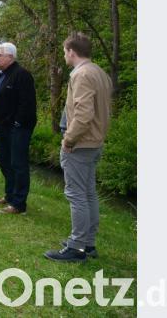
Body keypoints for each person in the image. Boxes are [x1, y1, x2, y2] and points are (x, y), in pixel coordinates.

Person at [44, 33, 112, 262]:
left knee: (76, 195)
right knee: (88, 193)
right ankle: (88, 243)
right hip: (94, 142)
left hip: (80, 144)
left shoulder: (82, 74)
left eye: (65, 52)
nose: (64, 55)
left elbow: (83, 114)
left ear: (71, 51)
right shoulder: (99, 72)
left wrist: (68, 140)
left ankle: (77, 247)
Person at [0, 42, 37, 215]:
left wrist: (17, 124)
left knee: (18, 164)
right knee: (5, 161)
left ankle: (19, 204)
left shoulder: (22, 75)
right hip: (2, 128)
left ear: (10, 56)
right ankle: (9, 196)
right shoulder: (1, 74)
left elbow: (27, 104)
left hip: (17, 129)